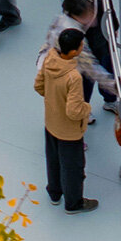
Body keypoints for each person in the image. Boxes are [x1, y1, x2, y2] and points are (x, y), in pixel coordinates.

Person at [37, 28, 97, 213]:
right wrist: (87, 108)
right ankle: (73, 203)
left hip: (51, 122)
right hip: (69, 131)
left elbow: (39, 85)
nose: (82, 47)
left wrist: (54, 99)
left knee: (53, 160)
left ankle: (54, 193)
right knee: (73, 168)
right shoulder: (73, 77)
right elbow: (74, 111)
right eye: (81, 45)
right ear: (73, 51)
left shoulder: (50, 59)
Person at [39, 0, 119, 104]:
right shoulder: (75, 37)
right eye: (90, 14)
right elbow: (91, 67)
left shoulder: (61, 18)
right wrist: (114, 86)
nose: (93, 17)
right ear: (79, 16)